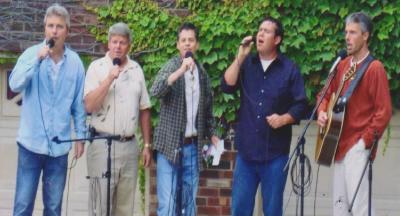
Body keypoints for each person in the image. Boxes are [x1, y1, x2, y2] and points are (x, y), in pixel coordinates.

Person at [221, 17, 307, 216]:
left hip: (275, 155)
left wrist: (284, 118)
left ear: (277, 39)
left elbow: (301, 104)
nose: (260, 34)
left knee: (272, 211)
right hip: (246, 154)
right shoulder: (247, 63)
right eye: (259, 30)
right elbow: (227, 85)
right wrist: (240, 57)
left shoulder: (289, 69)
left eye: (266, 31)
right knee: (240, 210)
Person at [8, 4, 86, 216]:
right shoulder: (31, 54)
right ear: (45, 29)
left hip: (58, 148)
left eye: (59, 26)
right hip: (30, 146)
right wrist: (37, 60)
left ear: (67, 31)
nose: (54, 31)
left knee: (53, 208)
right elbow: (14, 84)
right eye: (50, 26)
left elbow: (78, 104)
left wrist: (80, 136)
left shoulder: (76, 64)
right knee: (23, 206)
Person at [317, 12, 391, 216]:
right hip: (338, 144)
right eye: (346, 32)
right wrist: (322, 111)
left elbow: (383, 112)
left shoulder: (375, 68)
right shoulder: (342, 65)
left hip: (357, 147)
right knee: (339, 209)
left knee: (360, 208)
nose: (347, 37)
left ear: (365, 36)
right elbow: (324, 94)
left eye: (353, 32)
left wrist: (363, 143)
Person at [150, 22, 220, 216]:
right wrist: (181, 70)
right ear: (178, 45)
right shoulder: (171, 66)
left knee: (188, 206)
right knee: (169, 206)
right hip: (169, 146)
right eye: (183, 40)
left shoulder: (203, 74)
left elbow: (207, 110)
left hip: (193, 147)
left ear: (196, 45)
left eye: (191, 40)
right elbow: (156, 91)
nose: (187, 44)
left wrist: (213, 134)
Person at [84, 22, 152, 216]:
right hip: (101, 144)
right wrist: (109, 79)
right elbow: (89, 105)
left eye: (122, 42)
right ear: (108, 43)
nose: (117, 47)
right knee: (100, 206)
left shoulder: (136, 69)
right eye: (114, 42)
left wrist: (146, 145)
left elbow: (145, 108)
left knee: (124, 208)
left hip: (129, 147)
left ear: (128, 45)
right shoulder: (97, 68)